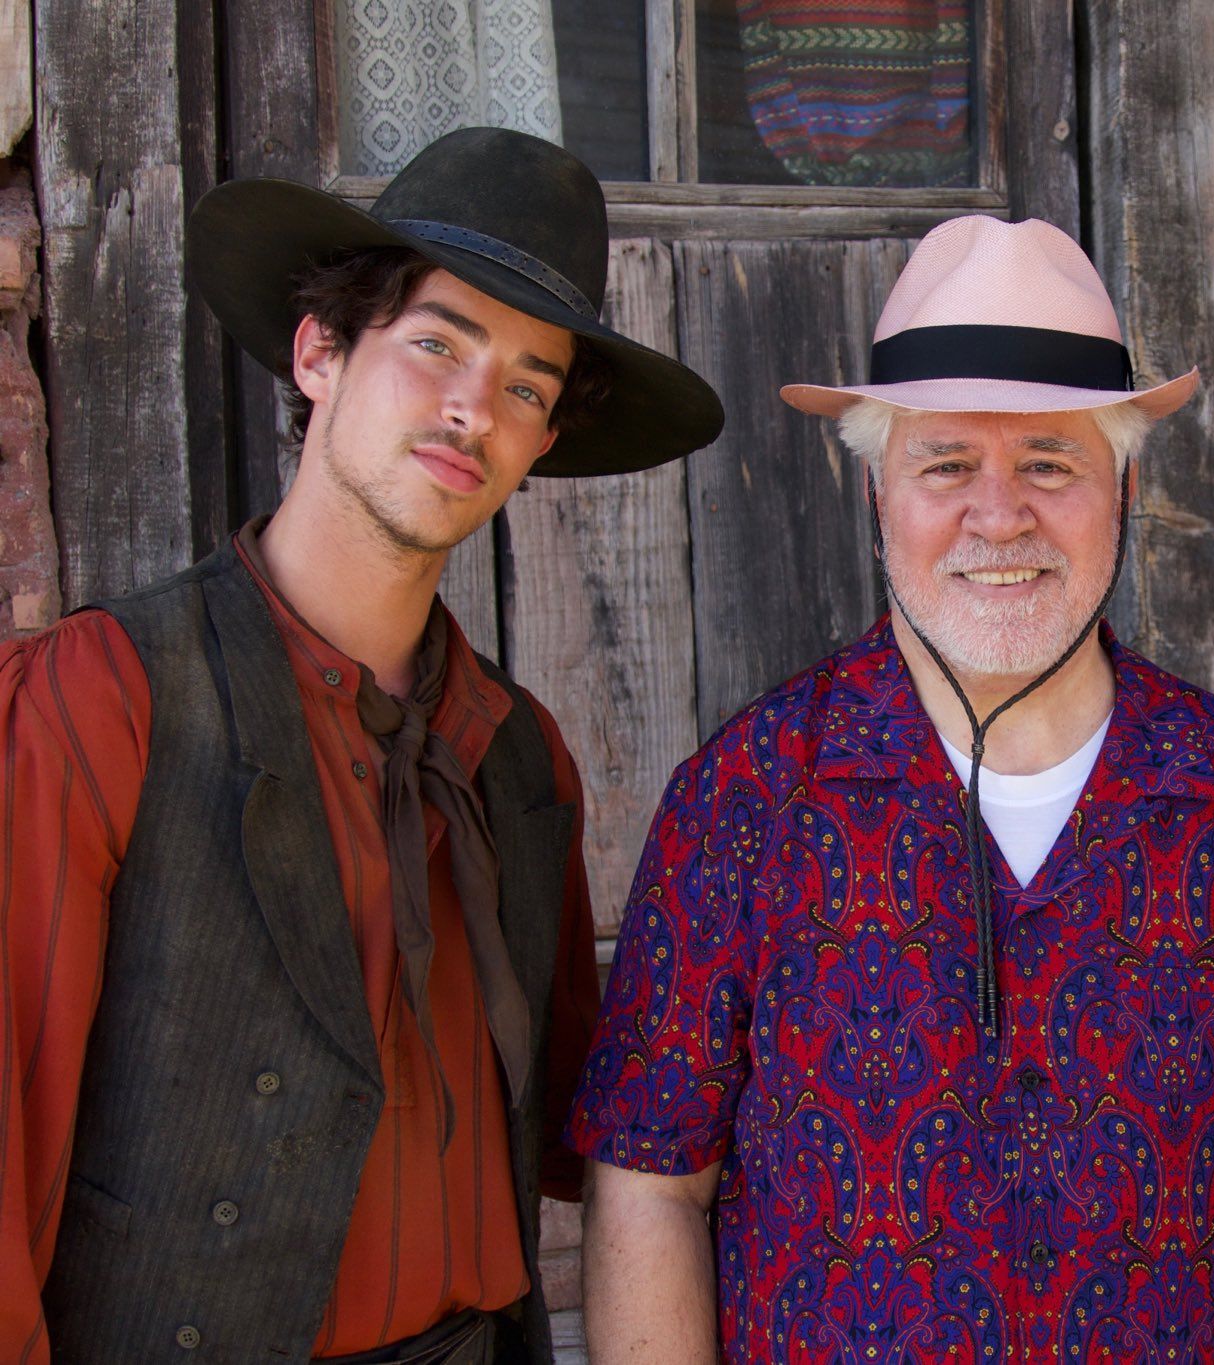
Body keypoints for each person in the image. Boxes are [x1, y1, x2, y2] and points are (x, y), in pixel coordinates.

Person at [568, 215, 1214, 1361]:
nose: (999, 514)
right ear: (876, 492)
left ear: (1123, 484)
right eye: (946, 464)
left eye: (1049, 462)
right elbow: (648, 1180)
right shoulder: (745, 798)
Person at [0, 127, 723, 1363]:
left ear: (542, 442)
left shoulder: (518, 756)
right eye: (436, 343)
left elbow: (586, 1126)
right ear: (320, 352)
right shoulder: (100, 698)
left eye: (527, 387)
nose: (471, 409)